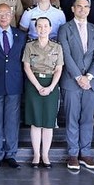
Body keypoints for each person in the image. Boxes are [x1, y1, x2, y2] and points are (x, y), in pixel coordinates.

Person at [58, 0, 94, 171]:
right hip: (72, 81)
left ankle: (85, 153)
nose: (82, 9)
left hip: (92, 82)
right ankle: (73, 153)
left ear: (89, 9)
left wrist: (89, 76)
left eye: (86, 7)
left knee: (88, 119)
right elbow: (65, 54)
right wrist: (79, 77)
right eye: (79, 6)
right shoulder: (65, 29)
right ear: (72, 8)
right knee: (71, 118)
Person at [0, 4, 27, 169]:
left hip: (14, 83)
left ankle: (11, 154)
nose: (3, 17)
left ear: (12, 15)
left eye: (6, 14)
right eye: (0, 13)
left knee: (12, 120)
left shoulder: (20, 35)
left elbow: (23, 61)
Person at [22, 17, 64, 168]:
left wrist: (51, 87)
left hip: (51, 85)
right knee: (36, 121)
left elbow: (59, 69)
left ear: (51, 28)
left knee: (48, 122)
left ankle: (45, 154)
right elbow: (27, 67)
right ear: (35, 28)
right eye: (39, 26)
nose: (42, 29)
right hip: (34, 84)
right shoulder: (29, 46)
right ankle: (36, 155)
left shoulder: (57, 47)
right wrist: (38, 86)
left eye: (46, 26)